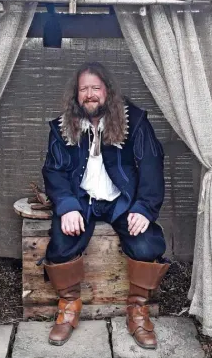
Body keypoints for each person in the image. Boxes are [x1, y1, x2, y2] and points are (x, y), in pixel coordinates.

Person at [41, 62, 170, 349]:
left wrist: (144, 207)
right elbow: (53, 170)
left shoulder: (133, 121)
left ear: (107, 91)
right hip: (82, 200)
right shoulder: (63, 127)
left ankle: (137, 311)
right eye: (83, 89)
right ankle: (69, 307)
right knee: (61, 243)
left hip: (121, 201)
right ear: (76, 95)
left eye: (95, 88)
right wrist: (66, 205)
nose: (89, 94)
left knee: (147, 244)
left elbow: (151, 164)